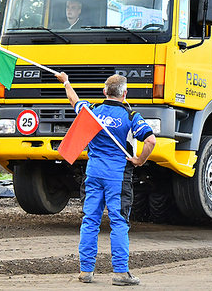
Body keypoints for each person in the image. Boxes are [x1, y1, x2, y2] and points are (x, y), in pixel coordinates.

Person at [55, 72, 156, 286]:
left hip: (93, 173)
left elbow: (74, 100)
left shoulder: (91, 111)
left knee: (90, 220)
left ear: (104, 92)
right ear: (125, 93)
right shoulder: (131, 117)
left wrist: (66, 82)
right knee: (119, 222)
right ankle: (120, 273)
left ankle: (86, 272)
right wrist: (140, 160)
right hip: (117, 177)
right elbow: (151, 141)